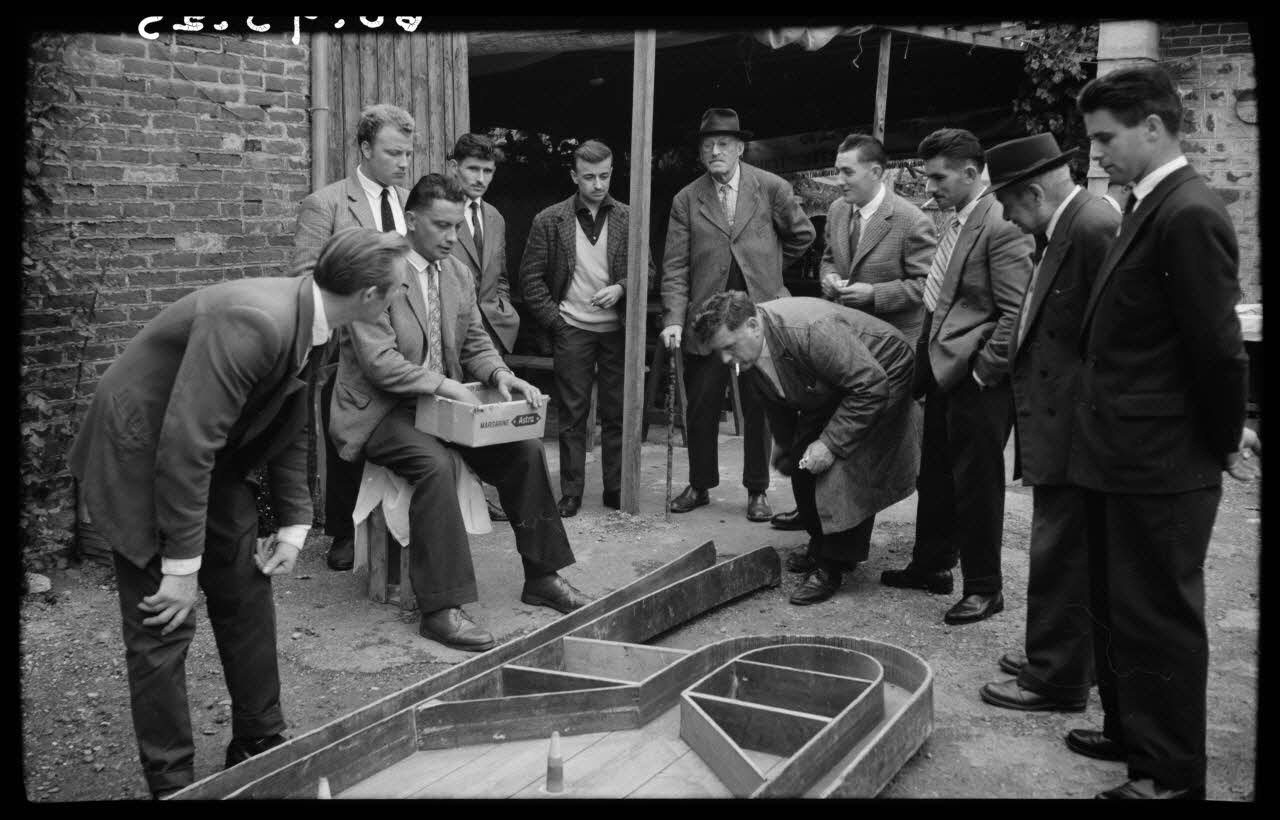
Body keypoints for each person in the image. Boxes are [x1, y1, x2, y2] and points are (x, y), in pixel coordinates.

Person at [68, 227, 409, 798]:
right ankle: (172, 781)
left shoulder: (319, 317)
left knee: (246, 591)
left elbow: (289, 421)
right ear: (371, 294)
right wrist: (181, 571)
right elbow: (184, 445)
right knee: (164, 622)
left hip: (204, 453)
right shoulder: (258, 320)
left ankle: (259, 741)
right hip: (140, 451)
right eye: (398, 289)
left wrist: (294, 526)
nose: (401, 298)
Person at [1068, 64, 1256, 801]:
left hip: (1161, 460)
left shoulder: (1188, 212)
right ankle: (1131, 733)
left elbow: (1216, 347)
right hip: (1122, 453)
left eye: (1107, 138)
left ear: (1153, 127)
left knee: (1159, 618)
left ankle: (1171, 776)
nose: (1099, 153)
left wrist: (1221, 438)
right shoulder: (1149, 202)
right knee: (1118, 608)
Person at [329, 173, 591, 653]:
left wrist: (498, 377)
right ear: (411, 221)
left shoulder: (457, 274)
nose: (453, 238)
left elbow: (474, 343)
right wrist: (448, 385)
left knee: (525, 451)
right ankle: (440, 609)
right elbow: (380, 363)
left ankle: (543, 576)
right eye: (441, 226)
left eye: (457, 227)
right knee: (433, 465)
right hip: (383, 411)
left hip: (444, 405)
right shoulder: (375, 273)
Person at [973, 133, 1119, 714]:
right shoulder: (1073, 223)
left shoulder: (1090, 227)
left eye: (1008, 204)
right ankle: (1056, 657)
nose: (1006, 217)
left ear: (1033, 191)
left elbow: (1112, 339)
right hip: (1063, 421)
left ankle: (1056, 678)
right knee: (1060, 548)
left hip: (1078, 428)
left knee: (1063, 551)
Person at [880, 128, 1034, 625]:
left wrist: (985, 372)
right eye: (927, 176)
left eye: (939, 177)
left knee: (978, 483)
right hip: (948, 373)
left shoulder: (1001, 224)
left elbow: (1017, 312)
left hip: (978, 380)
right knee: (938, 474)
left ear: (971, 172)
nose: (931, 187)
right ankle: (932, 566)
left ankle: (986, 588)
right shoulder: (960, 219)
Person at [693, 291, 920, 606]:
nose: (726, 360)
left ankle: (834, 564)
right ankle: (821, 541)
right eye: (720, 352)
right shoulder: (751, 351)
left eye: (729, 348)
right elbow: (778, 402)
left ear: (752, 325)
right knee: (803, 459)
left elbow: (870, 385)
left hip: (883, 371)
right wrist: (790, 447)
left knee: (845, 463)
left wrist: (829, 443)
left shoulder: (812, 330)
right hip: (837, 382)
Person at [773, 132, 937, 551]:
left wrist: (875, 295)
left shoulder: (910, 219)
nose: (839, 179)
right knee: (827, 433)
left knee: (857, 450)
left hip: (889, 353)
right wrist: (829, 278)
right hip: (841, 344)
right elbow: (830, 256)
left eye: (847, 171)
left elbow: (926, 285)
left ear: (876, 172)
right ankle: (820, 522)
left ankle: (841, 542)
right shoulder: (838, 210)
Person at [660, 107, 815, 521]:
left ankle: (757, 491)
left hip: (758, 317)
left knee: (761, 404)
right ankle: (700, 483)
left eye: (724, 144)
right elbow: (675, 266)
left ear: (740, 148)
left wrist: (770, 270)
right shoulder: (687, 199)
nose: (715, 151)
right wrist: (674, 318)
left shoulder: (771, 188)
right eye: (708, 145)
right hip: (708, 323)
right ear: (700, 151)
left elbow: (803, 235)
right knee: (702, 405)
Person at [291, 102, 414, 571]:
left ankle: (398, 528)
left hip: (403, 341)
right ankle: (343, 533)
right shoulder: (326, 204)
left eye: (408, 154)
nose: (403, 164)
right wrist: (351, 322)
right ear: (364, 148)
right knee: (347, 436)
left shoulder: (409, 205)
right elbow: (304, 279)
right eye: (393, 153)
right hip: (346, 349)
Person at [519, 139, 652, 517]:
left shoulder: (629, 217)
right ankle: (572, 492)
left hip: (617, 330)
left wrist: (622, 288)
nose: (598, 184)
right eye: (590, 177)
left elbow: (650, 272)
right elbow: (530, 279)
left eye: (605, 176)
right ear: (574, 176)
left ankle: (615, 489)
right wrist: (557, 324)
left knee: (617, 413)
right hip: (572, 328)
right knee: (573, 414)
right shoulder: (550, 219)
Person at [448, 133, 521, 522]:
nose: (480, 178)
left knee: (488, 416)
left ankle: (487, 496)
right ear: (455, 167)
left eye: (487, 171)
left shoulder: (494, 217)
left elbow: (500, 273)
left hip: (490, 330)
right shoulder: (439, 210)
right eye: (473, 169)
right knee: (454, 414)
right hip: (450, 328)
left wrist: (503, 309)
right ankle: (460, 497)